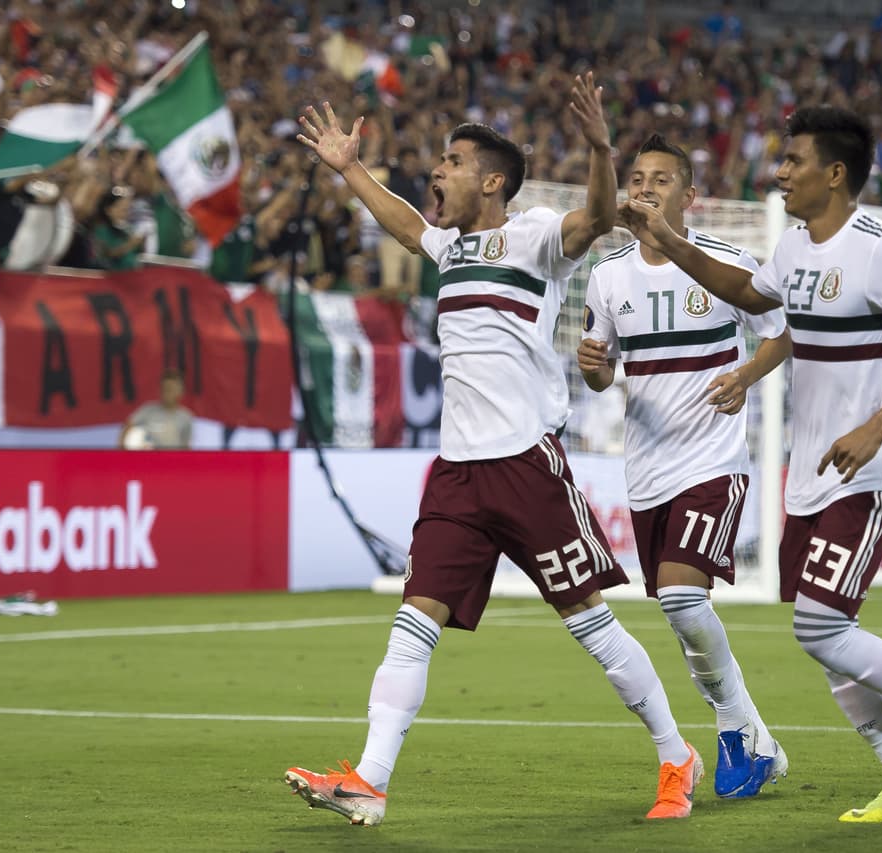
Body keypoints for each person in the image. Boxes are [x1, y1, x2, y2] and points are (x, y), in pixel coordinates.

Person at [284, 76, 703, 826]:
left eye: (450, 161)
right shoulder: (450, 248)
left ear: (492, 180)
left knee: (590, 623)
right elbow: (406, 224)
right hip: (456, 472)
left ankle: (677, 755)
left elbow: (602, 216)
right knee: (415, 618)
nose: (435, 172)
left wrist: (604, 149)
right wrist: (349, 171)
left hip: (526, 466)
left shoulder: (537, 235)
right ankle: (370, 778)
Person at [620, 105, 882, 823]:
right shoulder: (791, 247)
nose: (780, 171)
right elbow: (748, 295)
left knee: (820, 625)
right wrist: (668, 239)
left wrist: (877, 430)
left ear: (836, 173)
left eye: (794, 161)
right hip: (810, 474)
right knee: (822, 636)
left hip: (869, 472)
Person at [578, 133, 792, 799]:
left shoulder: (725, 263)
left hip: (712, 459)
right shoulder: (608, 274)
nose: (645, 187)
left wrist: (747, 374)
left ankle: (733, 727)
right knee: (678, 610)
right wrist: (597, 369)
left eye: (661, 179)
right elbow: (599, 367)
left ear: (689, 196)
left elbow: (780, 335)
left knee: (680, 595)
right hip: (645, 468)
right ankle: (758, 739)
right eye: (637, 177)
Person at [118, 369, 193, 449]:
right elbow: (128, 426)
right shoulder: (147, 410)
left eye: (170, 389)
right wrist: (123, 452)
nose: (166, 392)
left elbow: (185, 447)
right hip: (149, 459)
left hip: (173, 459)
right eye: (164, 388)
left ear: (180, 392)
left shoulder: (186, 416)